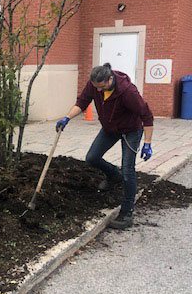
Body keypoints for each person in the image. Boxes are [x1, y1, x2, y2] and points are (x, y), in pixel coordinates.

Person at [56, 63, 154, 229]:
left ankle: (127, 212)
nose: (99, 91)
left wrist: (147, 143)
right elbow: (82, 102)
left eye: (102, 87)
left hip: (131, 130)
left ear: (110, 79)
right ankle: (113, 175)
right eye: (96, 88)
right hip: (110, 129)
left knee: (128, 171)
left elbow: (146, 115)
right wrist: (67, 118)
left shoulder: (128, 91)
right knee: (92, 157)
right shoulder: (94, 85)